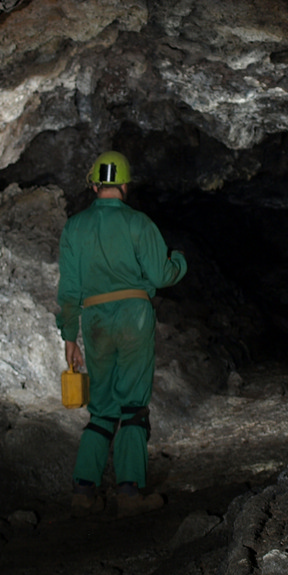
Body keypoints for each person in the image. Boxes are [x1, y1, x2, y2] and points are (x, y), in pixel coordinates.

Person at [55, 150, 188, 517]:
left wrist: (69, 338)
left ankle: (83, 490)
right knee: (132, 406)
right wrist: (179, 261)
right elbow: (161, 276)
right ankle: (129, 492)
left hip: (94, 319)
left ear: (95, 184)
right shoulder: (139, 223)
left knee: (101, 408)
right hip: (134, 317)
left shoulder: (75, 227)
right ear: (125, 186)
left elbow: (68, 289)